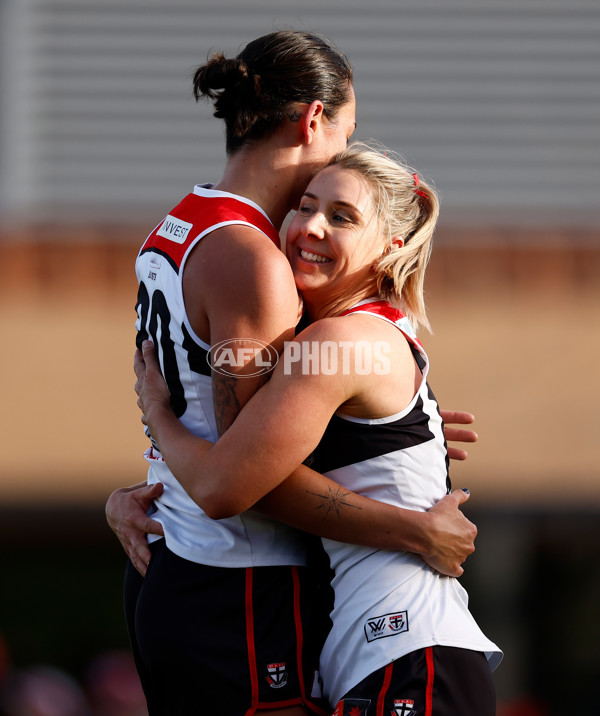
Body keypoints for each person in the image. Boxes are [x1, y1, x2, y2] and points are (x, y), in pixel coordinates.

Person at [106, 30, 479, 716]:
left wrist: (392, 432)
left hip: (182, 571)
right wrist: (414, 528)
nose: (347, 152)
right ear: (314, 119)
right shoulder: (256, 261)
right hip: (240, 587)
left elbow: (219, 425)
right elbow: (240, 480)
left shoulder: (178, 225)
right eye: (349, 130)